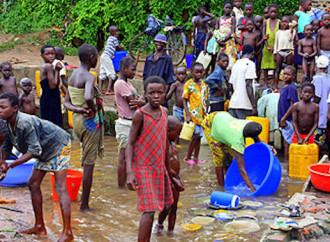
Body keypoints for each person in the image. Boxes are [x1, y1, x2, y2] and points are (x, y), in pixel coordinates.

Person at [0, 93, 73, 242]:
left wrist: (10, 165)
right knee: (33, 183)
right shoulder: (8, 123)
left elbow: (34, 151)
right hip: (44, 149)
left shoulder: (24, 122)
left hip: (59, 146)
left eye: (2, 107)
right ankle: (40, 226)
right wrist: (2, 164)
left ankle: (68, 233)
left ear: (14, 108)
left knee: (60, 187)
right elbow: (7, 148)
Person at [126, 76, 173, 242]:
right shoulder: (141, 115)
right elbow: (130, 144)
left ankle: (159, 226)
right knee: (149, 210)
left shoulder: (165, 113)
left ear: (165, 93)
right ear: (145, 94)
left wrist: (170, 169)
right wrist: (130, 172)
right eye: (151, 93)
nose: (156, 96)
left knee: (168, 202)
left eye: (160, 92)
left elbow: (164, 142)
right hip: (144, 167)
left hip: (159, 167)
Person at [64, 44, 104, 211]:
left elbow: (66, 102)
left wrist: (79, 109)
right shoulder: (89, 76)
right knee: (89, 164)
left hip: (77, 120)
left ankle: (82, 199)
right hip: (89, 122)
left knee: (86, 157)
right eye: (96, 57)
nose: (97, 60)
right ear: (90, 58)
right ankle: (85, 205)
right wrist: (92, 110)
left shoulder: (73, 75)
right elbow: (88, 96)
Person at [211, 112, 263, 192]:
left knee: (228, 156)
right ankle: (221, 187)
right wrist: (252, 188)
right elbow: (241, 169)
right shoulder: (237, 140)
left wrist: (269, 147)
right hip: (211, 123)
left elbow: (257, 141)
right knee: (220, 156)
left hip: (223, 118)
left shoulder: (249, 125)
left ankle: (228, 180)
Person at [114, 57, 145, 188]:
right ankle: (121, 188)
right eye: (132, 70)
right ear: (124, 69)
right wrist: (142, 101)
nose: (134, 72)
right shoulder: (120, 84)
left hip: (131, 124)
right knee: (124, 157)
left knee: (130, 156)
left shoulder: (127, 84)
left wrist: (141, 100)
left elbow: (137, 100)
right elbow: (133, 103)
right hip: (125, 124)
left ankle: (129, 185)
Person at [154, 116, 184, 235]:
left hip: (175, 179)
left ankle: (171, 232)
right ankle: (160, 223)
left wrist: (179, 178)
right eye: (177, 133)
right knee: (166, 206)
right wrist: (173, 180)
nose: (178, 136)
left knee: (174, 207)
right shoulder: (163, 145)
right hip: (166, 180)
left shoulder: (173, 144)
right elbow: (162, 166)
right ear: (167, 131)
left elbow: (176, 164)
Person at [183, 62, 207, 164]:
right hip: (192, 115)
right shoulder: (188, 84)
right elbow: (184, 99)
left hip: (201, 115)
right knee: (196, 135)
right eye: (197, 72)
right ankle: (188, 157)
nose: (199, 74)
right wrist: (187, 115)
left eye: (201, 72)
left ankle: (196, 158)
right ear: (192, 72)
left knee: (200, 136)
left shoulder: (204, 85)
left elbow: (205, 99)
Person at [202, 112, 233, 186]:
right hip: (209, 124)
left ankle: (229, 181)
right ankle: (221, 185)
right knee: (219, 153)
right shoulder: (231, 131)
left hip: (222, 125)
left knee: (229, 154)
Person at [229, 44, 257, 119]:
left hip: (233, 103)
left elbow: (230, 86)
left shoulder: (236, 64)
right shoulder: (250, 64)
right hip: (244, 105)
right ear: (252, 53)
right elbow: (248, 85)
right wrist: (254, 106)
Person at [278, 66, 299, 160]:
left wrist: (283, 118)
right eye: (284, 74)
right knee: (285, 140)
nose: (285, 76)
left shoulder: (291, 88)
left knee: (288, 142)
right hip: (284, 119)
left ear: (294, 76)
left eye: (288, 74)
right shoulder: (285, 86)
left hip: (288, 119)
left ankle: (288, 162)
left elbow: (293, 105)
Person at [40, 44, 63, 127]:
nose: (50, 56)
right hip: (50, 99)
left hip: (49, 98)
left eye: (52, 54)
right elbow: (53, 86)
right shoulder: (48, 66)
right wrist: (57, 70)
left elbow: (57, 83)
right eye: (47, 54)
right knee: (53, 124)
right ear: (42, 56)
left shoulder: (46, 66)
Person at [312, 56, 330, 148]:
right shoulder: (328, 77)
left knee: (317, 139)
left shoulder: (317, 78)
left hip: (319, 112)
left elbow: (317, 96)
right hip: (326, 110)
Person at [273, 16, 296, 89]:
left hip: (288, 51)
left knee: (289, 69)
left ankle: (289, 84)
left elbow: (290, 39)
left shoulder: (292, 31)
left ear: (290, 23)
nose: (284, 24)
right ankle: (275, 85)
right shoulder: (278, 32)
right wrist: (275, 53)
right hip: (280, 51)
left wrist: (292, 29)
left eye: (286, 22)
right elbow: (276, 43)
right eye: (283, 22)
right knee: (278, 69)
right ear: (280, 23)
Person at [261, 4, 280, 87]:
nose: (273, 14)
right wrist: (267, 46)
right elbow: (264, 34)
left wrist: (275, 47)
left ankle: (274, 83)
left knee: (275, 65)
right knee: (265, 65)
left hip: (276, 47)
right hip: (267, 46)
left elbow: (280, 35)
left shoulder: (279, 22)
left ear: (277, 13)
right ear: (268, 12)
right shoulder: (266, 21)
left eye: (275, 12)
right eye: (271, 12)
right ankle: (265, 82)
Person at [99, 25, 121, 94]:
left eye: (118, 31)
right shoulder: (114, 39)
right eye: (116, 31)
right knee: (111, 73)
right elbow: (117, 48)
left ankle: (99, 89)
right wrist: (121, 48)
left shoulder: (109, 38)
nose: (117, 33)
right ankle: (109, 90)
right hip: (107, 57)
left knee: (102, 73)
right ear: (112, 32)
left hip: (103, 56)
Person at [216, 1, 237, 70]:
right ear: (223, 8)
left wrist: (224, 40)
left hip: (229, 42)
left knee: (230, 59)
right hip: (220, 42)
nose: (228, 9)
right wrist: (218, 40)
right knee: (221, 59)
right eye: (226, 7)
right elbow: (216, 31)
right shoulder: (219, 19)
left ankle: (229, 77)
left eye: (230, 8)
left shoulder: (232, 19)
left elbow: (232, 32)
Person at [294, 0, 312, 67]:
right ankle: (296, 63)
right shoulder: (298, 13)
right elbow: (295, 25)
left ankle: (303, 63)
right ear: (302, 4)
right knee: (298, 48)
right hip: (299, 34)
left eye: (311, 5)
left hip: (307, 35)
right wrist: (296, 37)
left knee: (305, 49)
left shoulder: (308, 16)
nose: (310, 7)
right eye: (309, 5)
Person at [254, 15, 265, 81]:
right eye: (257, 22)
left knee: (258, 66)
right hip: (252, 51)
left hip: (259, 50)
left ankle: (257, 79)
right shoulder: (252, 30)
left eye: (260, 22)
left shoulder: (261, 31)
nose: (258, 24)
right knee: (252, 66)